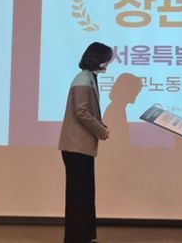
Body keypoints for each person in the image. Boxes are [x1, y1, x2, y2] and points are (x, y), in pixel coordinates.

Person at [58, 42, 113, 243]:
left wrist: (99, 125)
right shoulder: (83, 79)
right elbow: (81, 111)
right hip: (76, 146)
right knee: (78, 195)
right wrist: (101, 130)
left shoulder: (89, 77)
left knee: (84, 193)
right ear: (98, 59)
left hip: (81, 146)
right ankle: (75, 238)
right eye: (106, 59)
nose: (108, 63)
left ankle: (84, 236)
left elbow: (87, 111)